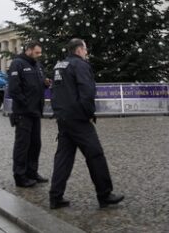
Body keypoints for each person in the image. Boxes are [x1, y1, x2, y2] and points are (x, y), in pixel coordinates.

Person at [49, 38, 124, 209]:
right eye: (85, 49)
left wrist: (60, 112)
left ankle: (55, 196)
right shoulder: (80, 65)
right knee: (95, 155)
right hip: (78, 119)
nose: (87, 52)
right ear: (78, 50)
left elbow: (55, 91)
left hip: (63, 118)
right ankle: (104, 195)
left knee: (63, 158)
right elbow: (87, 91)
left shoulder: (59, 65)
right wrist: (89, 113)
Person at [8, 41, 49, 188]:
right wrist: (25, 103)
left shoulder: (36, 65)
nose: (39, 55)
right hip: (23, 113)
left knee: (35, 144)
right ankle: (20, 176)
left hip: (36, 112)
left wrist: (45, 83)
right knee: (22, 145)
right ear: (29, 50)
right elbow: (14, 88)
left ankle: (32, 172)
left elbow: (37, 83)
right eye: (37, 52)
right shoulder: (17, 64)